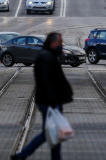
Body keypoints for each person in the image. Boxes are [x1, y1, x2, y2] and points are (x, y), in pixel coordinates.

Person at [12, 32, 73, 160]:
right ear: (53, 43)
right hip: (50, 102)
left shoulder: (49, 56)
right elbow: (45, 82)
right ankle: (22, 155)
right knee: (48, 134)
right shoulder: (46, 58)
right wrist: (53, 103)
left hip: (51, 101)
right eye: (60, 43)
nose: (61, 45)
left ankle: (24, 155)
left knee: (53, 134)